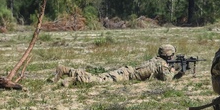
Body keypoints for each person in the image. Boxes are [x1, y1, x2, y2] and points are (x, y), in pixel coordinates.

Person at [53, 44, 183, 87]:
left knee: (99, 76)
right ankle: (74, 79)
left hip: (126, 71)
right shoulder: (162, 64)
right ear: (169, 55)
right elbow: (166, 79)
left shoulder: (157, 60)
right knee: (99, 80)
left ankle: (66, 70)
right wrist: (175, 70)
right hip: (126, 76)